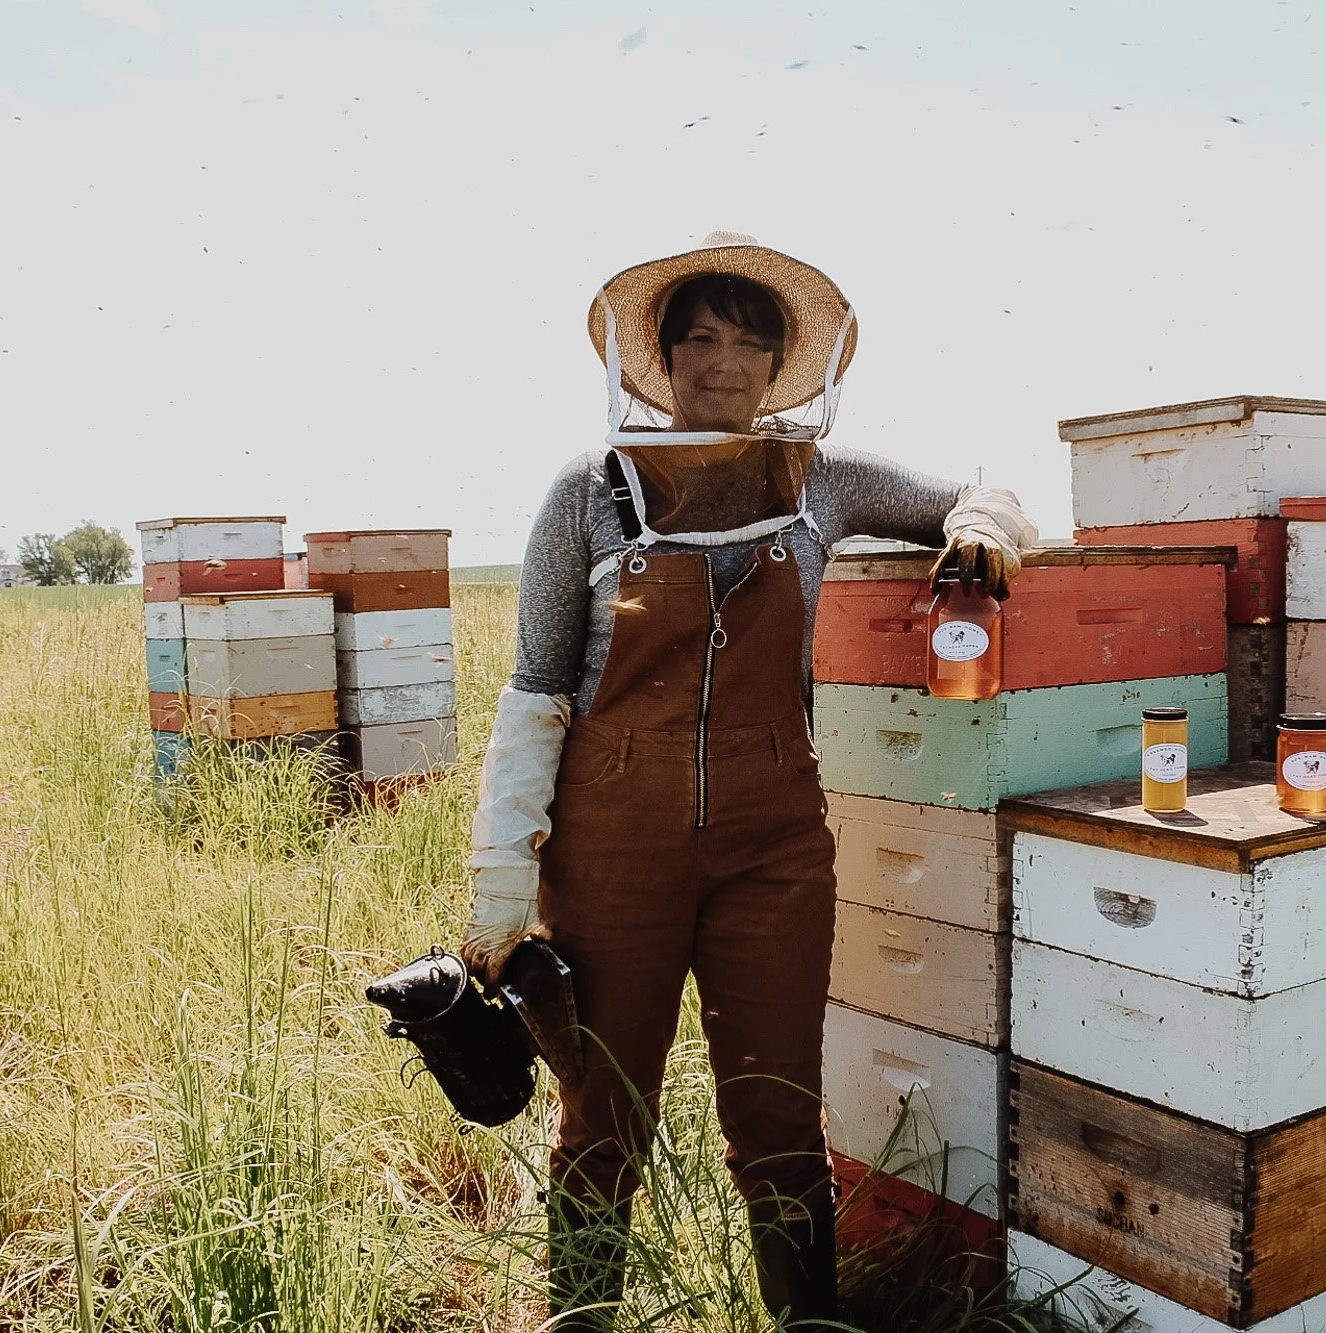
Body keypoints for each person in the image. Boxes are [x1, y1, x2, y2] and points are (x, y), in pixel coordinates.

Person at [461, 232, 1035, 1329]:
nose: (723, 362)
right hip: (609, 850)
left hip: (774, 847)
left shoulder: (826, 479)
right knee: (603, 1117)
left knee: (778, 1117)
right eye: (700, 337)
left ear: (780, 368)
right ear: (662, 358)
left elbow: (981, 494)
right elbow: (535, 691)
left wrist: (980, 524)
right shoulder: (587, 491)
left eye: (748, 343)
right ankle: (581, 1318)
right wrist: (499, 885)